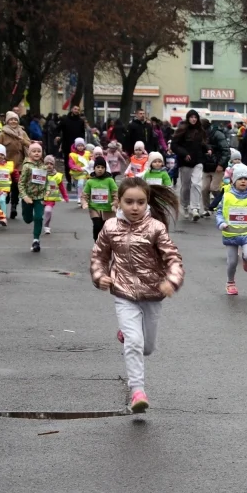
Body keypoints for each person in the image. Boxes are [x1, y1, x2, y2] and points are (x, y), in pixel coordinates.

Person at [90, 177, 184, 413]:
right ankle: (138, 392)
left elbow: (173, 258)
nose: (135, 207)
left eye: (140, 202)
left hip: (152, 294)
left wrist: (171, 280)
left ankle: (126, 332)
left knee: (147, 347)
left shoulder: (156, 228)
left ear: (147, 203)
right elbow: (98, 257)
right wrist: (100, 276)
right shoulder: (110, 227)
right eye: (129, 202)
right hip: (123, 293)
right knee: (134, 342)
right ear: (118, 201)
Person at [215, 164, 247, 295]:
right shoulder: (227, 196)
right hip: (230, 232)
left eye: (246, 178)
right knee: (232, 262)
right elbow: (219, 212)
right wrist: (221, 223)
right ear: (233, 181)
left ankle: (245, 258)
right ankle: (230, 282)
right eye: (240, 178)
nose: (243, 181)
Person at [171, 109, 209, 221]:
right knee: (186, 186)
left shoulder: (200, 130)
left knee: (196, 184)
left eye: (195, 117)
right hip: (185, 162)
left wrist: (208, 148)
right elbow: (174, 145)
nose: (193, 119)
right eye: (191, 117)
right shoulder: (182, 130)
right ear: (188, 118)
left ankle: (195, 208)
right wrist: (184, 154)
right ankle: (185, 206)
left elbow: (203, 143)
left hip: (198, 161)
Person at [0, 110, 31, 219]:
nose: (14, 121)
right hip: (5, 164)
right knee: (6, 185)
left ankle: (14, 206)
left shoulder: (22, 132)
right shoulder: (3, 134)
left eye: (15, 119)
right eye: (11, 120)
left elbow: (30, 144)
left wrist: (22, 140)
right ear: (7, 121)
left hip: (19, 163)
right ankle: (6, 199)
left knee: (16, 186)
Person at [18, 141, 49, 253]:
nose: (36, 153)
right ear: (29, 153)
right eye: (34, 151)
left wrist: (47, 191)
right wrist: (24, 196)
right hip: (28, 197)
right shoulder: (26, 166)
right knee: (27, 219)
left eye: (39, 151)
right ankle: (27, 215)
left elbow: (47, 182)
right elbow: (21, 183)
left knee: (38, 217)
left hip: (39, 197)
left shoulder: (43, 166)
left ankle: (36, 240)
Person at [81, 157, 119, 241]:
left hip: (107, 209)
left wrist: (115, 203)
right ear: (94, 168)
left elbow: (115, 193)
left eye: (102, 167)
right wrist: (84, 203)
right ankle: (97, 242)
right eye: (98, 167)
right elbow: (85, 195)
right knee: (97, 226)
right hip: (95, 208)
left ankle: (105, 244)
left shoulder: (110, 180)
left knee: (106, 228)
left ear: (105, 169)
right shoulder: (90, 181)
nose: (100, 169)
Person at [202, 118, 230, 216]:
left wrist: (221, 164)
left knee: (214, 188)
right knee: (204, 189)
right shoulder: (200, 135)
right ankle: (207, 209)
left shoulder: (218, 134)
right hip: (206, 166)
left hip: (217, 166)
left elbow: (226, 150)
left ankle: (223, 204)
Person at [56, 105, 86, 190]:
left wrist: (82, 144)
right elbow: (57, 129)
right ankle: (69, 181)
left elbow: (82, 133)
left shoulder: (80, 121)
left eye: (78, 110)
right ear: (72, 110)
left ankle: (76, 180)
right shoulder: (65, 120)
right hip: (67, 145)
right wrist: (58, 137)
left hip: (78, 146)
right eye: (75, 109)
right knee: (67, 164)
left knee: (77, 163)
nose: (77, 111)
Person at [42, 154, 69, 235]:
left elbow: (62, 187)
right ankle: (40, 224)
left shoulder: (57, 176)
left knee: (48, 211)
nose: (49, 165)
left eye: (51, 164)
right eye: (47, 164)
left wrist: (65, 197)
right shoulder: (40, 174)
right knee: (39, 215)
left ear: (54, 165)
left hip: (51, 198)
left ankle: (46, 226)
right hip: (40, 197)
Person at [68, 137, 92, 205]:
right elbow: (70, 163)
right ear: (76, 146)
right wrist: (74, 167)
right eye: (78, 145)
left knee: (80, 184)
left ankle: (80, 197)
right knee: (77, 186)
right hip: (75, 173)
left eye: (82, 145)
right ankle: (80, 195)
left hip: (83, 172)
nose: (80, 147)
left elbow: (91, 161)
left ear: (84, 146)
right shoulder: (72, 155)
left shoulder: (87, 153)